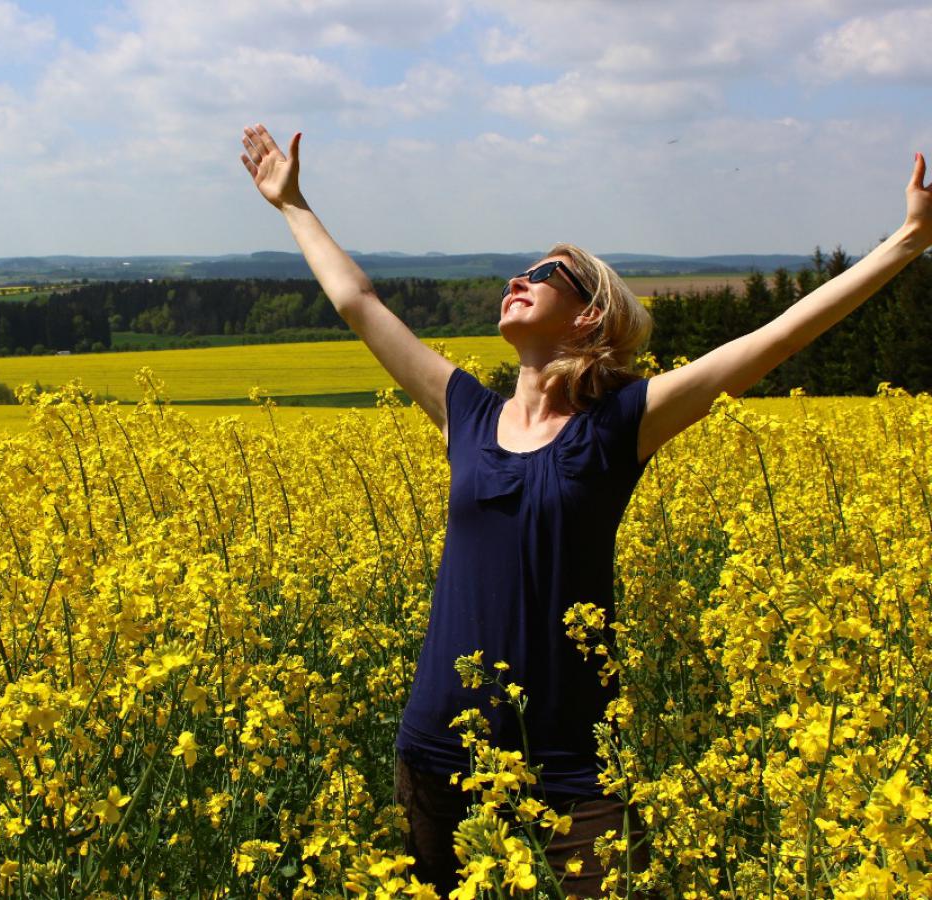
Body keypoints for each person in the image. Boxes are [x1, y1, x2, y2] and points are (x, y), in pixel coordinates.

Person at [239, 122, 932, 896]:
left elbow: (771, 339)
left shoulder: (618, 426)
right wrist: (292, 203)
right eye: (521, 269)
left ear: (589, 317)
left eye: (548, 272)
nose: (520, 276)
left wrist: (906, 242)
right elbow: (357, 300)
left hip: (571, 766)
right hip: (437, 751)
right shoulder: (463, 412)